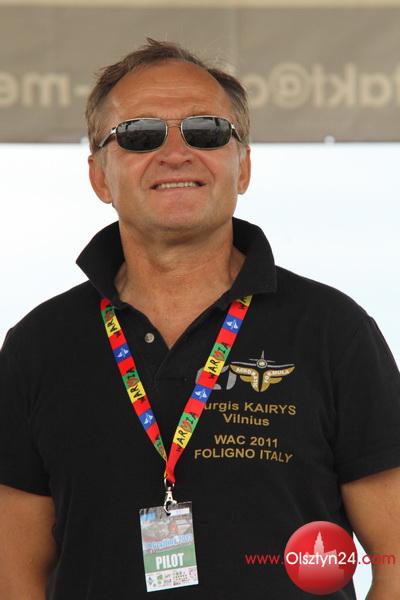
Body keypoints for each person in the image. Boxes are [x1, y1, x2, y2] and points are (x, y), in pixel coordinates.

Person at [0, 38, 400, 600]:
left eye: (206, 131)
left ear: (243, 166)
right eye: (139, 134)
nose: (176, 153)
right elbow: (14, 575)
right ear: (99, 176)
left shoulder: (335, 331)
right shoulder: (37, 345)